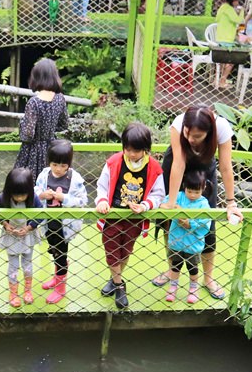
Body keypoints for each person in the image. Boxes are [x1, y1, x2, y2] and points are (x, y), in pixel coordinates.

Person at [156, 106, 242, 300]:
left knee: (207, 225)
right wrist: (171, 202)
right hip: (176, 171)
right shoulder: (178, 125)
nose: (190, 139)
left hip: (204, 174)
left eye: (197, 136)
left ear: (209, 132)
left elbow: (226, 167)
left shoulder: (221, 127)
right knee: (170, 223)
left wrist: (231, 203)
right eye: (188, 133)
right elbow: (179, 162)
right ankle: (172, 270)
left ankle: (208, 278)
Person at [94, 122, 165, 310]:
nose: (132, 154)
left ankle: (114, 279)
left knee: (125, 252)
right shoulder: (114, 162)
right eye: (128, 149)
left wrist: (145, 205)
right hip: (113, 216)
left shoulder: (154, 168)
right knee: (111, 251)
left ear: (146, 149)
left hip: (135, 219)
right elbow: (102, 186)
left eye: (136, 150)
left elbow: (158, 194)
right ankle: (119, 286)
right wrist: (102, 201)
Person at [35, 139, 87, 304]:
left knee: (61, 255)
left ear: (69, 164)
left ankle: (60, 288)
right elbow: (35, 190)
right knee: (54, 251)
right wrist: (42, 195)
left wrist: (63, 197)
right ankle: (57, 278)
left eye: (63, 166)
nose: (58, 169)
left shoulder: (75, 178)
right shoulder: (44, 174)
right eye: (55, 164)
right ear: (49, 162)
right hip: (48, 223)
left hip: (64, 227)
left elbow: (82, 201)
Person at [0, 168, 44, 307]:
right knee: (13, 265)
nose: (19, 198)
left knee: (28, 264)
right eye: (15, 195)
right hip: (11, 236)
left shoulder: (33, 198)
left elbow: (41, 214)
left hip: (27, 235)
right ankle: (13, 292)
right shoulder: (2, 198)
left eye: (22, 195)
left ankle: (27, 291)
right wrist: (5, 224)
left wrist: (29, 227)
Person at [163, 169, 212, 304]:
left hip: (193, 243)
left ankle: (193, 289)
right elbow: (165, 203)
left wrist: (190, 224)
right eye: (189, 191)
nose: (192, 195)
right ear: (184, 186)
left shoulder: (203, 203)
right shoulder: (178, 196)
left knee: (193, 268)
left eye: (196, 192)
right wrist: (173, 208)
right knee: (175, 265)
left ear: (203, 188)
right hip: (176, 241)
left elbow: (205, 221)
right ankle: (173, 287)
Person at [15, 58, 68, 177]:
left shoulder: (34, 102)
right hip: (52, 149)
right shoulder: (60, 98)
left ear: (36, 77)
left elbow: (28, 135)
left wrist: (22, 124)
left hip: (33, 151)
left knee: (26, 183)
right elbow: (64, 125)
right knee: (50, 182)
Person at [215, 0, 246, 87]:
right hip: (227, 39)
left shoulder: (222, 7)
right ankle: (222, 81)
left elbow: (217, 19)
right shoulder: (229, 9)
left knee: (223, 61)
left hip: (220, 37)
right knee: (231, 61)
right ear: (233, 0)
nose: (237, 3)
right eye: (237, 1)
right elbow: (239, 20)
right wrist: (242, 11)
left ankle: (220, 79)